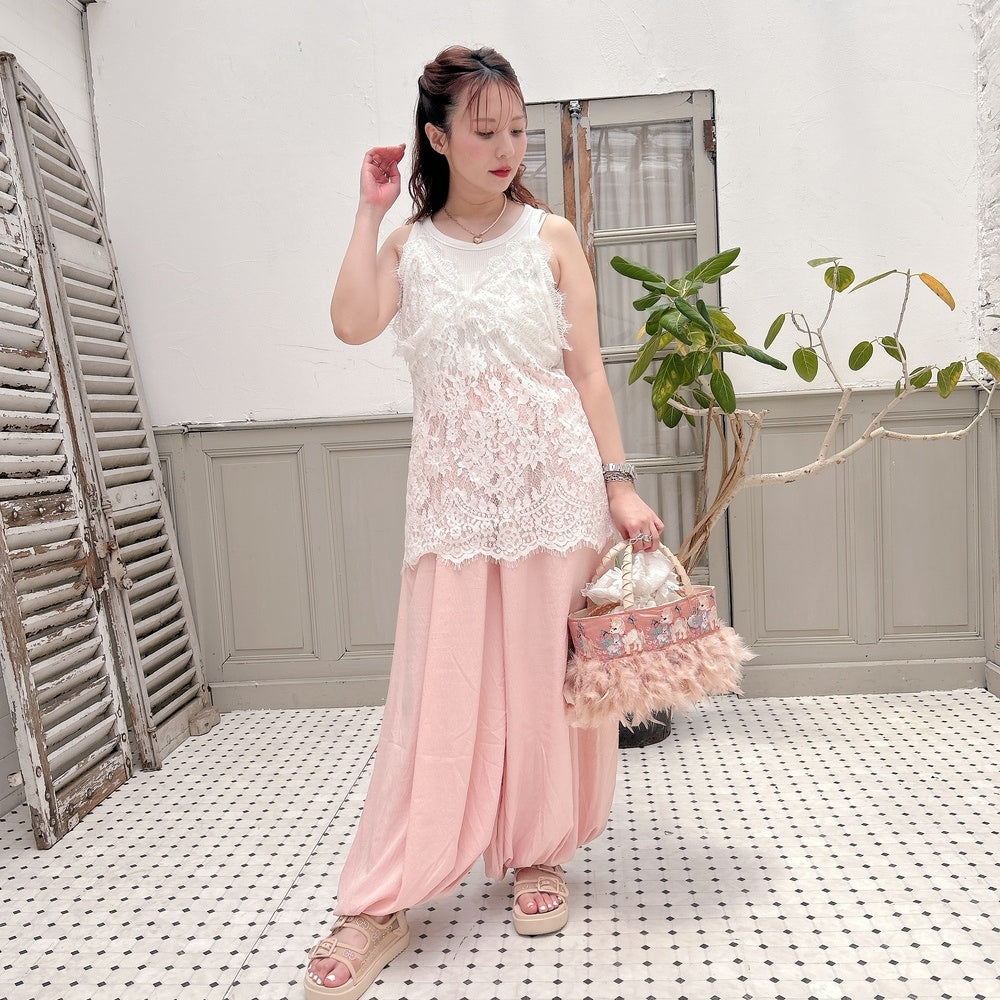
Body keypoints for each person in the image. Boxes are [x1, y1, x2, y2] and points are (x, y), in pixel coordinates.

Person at [305, 44, 663, 1000]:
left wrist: (620, 486)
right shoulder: (409, 246)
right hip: (455, 501)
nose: (507, 149)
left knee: (544, 684)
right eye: (484, 131)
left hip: (554, 492)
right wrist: (370, 210)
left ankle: (537, 850)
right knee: (439, 692)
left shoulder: (552, 237)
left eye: (517, 130)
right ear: (437, 137)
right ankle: (381, 898)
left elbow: (588, 374)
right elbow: (351, 322)